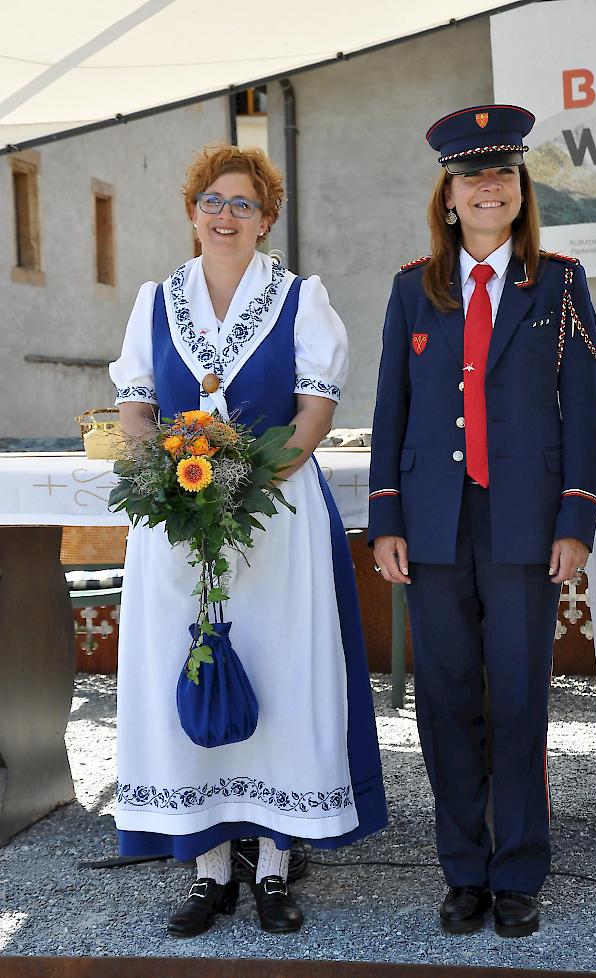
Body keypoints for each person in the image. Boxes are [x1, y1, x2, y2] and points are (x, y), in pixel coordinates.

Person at [110, 143, 387, 937]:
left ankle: (271, 862)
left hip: (276, 521)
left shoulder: (301, 298)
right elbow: (134, 408)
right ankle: (205, 867)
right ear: (192, 212)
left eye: (244, 204)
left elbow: (313, 413)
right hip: (177, 524)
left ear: (267, 219)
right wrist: (166, 481)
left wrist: (247, 484)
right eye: (213, 201)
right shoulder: (153, 301)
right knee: (183, 668)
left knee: (280, 671)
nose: (225, 216)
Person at [368, 104, 596, 938]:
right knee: (443, 699)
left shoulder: (560, 282)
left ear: (519, 188)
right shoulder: (412, 289)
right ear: (448, 197)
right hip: (433, 526)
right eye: (471, 176)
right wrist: (385, 519)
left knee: (517, 698)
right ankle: (463, 871)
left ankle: (519, 872)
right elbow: (390, 406)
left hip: (526, 525)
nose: (487, 187)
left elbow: (583, 409)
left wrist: (575, 517)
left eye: (501, 173)